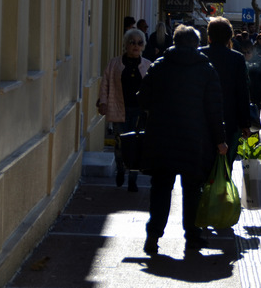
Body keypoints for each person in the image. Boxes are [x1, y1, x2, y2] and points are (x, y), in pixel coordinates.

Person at [137, 24, 228, 255]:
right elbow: (214, 110)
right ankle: (193, 236)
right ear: (197, 44)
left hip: (162, 138)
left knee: (160, 188)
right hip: (194, 139)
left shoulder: (159, 66)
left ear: (174, 42)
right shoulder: (206, 70)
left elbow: (143, 100)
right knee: (192, 189)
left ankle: (153, 235)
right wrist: (220, 140)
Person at [97, 28, 152, 191]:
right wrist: (103, 102)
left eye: (139, 43)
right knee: (120, 144)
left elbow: (153, 88)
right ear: (126, 45)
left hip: (139, 112)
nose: (136, 46)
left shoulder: (148, 65)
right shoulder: (114, 64)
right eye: (132, 42)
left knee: (136, 145)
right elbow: (105, 83)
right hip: (119, 109)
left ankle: (133, 180)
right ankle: (120, 169)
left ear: (143, 46)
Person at [201, 17, 252, 167]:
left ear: (209, 36)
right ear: (229, 37)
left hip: (202, 117)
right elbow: (242, 91)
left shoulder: (199, 55)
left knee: (203, 164)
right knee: (224, 166)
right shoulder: (237, 58)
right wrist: (245, 123)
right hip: (229, 118)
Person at [240, 38, 261, 132]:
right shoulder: (238, 61)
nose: (246, 55)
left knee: (253, 126)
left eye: (248, 52)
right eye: (244, 52)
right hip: (241, 98)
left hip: (256, 98)